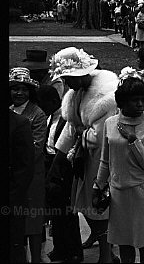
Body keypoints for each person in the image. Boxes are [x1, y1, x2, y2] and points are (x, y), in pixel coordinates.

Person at [50, 47, 119, 263]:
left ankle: (107, 255)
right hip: (84, 159)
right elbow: (72, 127)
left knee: (100, 206)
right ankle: (104, 247)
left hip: (103, 161)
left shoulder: (106, 95)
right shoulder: (76, 94)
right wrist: (59, 157)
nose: (67, 84)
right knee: (86, 206)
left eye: (70, 78)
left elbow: (99, 137)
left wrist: (81, 132)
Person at [94, 73, 144, 263]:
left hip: (143, 193)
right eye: (135, 100)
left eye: (143, 99)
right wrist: (97, 186)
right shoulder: (110, 123)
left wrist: (134, 141)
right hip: (119, 194)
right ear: (122, 102)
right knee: (125, 244)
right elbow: (105, 160)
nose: (140, 104)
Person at [39, 85, 83, 263]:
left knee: (67, 214)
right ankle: (60, 248)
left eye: (43, 104)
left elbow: (66, 147)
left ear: (52, 102)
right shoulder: (50, 117)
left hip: (63, 168)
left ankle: (74, 251)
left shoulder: (66, 119)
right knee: (55, 214)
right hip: (49, 165)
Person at [9, 67, 47, 264]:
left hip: (32, 174)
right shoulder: (9, 111)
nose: (19, 93)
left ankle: (36, 258)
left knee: (32, 219)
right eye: (15, 88)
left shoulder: (37, 114)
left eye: (23, 89)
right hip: (13, 174)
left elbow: (36, 147)